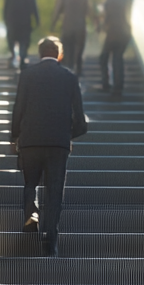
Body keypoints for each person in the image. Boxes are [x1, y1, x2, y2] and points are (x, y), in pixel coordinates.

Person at [11, 36, 88, 256]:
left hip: (30, 141)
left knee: (30, 184)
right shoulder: (70, 77)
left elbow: (19, 108)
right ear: (59, 54)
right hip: (57, 144)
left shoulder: (27, 75)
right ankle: (50, 242)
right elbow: (80, 120)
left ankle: (31, 213)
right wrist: (68, 135)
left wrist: (15, 136)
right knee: (54, 193)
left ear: (39, 53)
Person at [50, 0, 91, 76]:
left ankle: (68, 73)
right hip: (81, 27)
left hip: (67, 27)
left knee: (67, 52)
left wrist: (53, 24)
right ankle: (78, 75)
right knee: (79, 52)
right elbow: (89, 11)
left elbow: (58, 9)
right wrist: (97, 24)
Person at [98, 0, 133, 94]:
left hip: (113, 31)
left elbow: (107, 14)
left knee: (104, 57)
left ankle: (106, 84)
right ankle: (118, 87)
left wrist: (103, 26)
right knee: (118, 58)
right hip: (125, 31)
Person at [2, 0, 40, 70]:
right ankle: (22, 58)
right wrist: (37, 20)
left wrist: (5, 20)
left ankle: (13, 56)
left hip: (13, 22)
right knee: (24, 41)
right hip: (25, 22)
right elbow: (34, 8)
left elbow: (5, 8)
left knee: (12, 40)